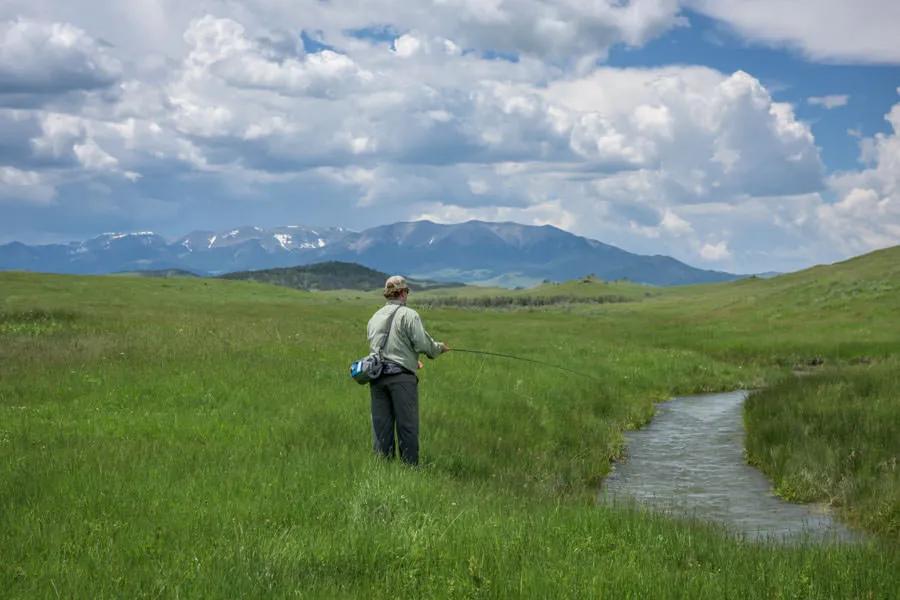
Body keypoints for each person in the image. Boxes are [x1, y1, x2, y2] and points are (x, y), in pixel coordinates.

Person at [366, 275, 449, 465]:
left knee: (381, 427)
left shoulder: (374, 317)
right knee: (407, 427)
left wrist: (411, 360)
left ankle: (383, 470)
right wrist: (438, 349)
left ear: (387, 294)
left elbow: (380, 347)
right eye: (406, 292)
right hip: (401, 379)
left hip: (377, 378)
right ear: (403, 293)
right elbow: (422, 344)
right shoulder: (409, 315)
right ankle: (409, 470)